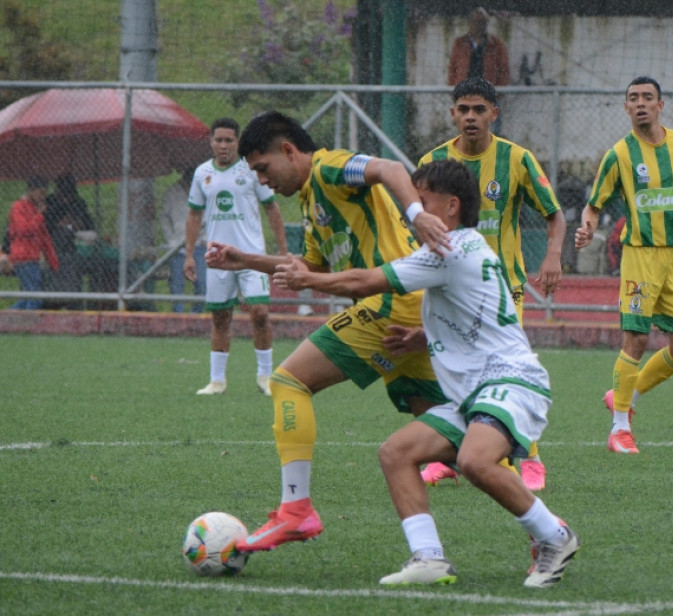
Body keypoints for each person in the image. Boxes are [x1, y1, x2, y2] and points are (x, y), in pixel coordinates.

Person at [265, 159, 579, 587]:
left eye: (421, 198)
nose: (408, 207)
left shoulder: (446, 249)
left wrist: (308, 279)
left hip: (509, 382)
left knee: (473, 459)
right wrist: (422, 338)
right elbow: (474, 311)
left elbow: (364, 282)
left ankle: (555, 536)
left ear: (450, 207)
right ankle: (429, 558)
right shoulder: (465, 246)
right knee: (396, 453)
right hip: (477, 391)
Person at [205, 110, 451, 555]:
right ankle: (547, 528)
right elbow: (311, 269)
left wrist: (416, 214)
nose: (262, 181)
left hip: (390, 302)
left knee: (287, 381)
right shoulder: (309, 199)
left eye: (263, 168)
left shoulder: (330, 166)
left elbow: (390, 168)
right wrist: (245, 259)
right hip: (412, 312)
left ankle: (296, 510)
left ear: (288, 151)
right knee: (453, 442)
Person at [415, 76, 567, 491]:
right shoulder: (434, 163)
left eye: (479, 110)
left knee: (504, 370)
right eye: (463, 109)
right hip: (447, 290)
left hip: (502, 289)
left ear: (493, 114)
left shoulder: (516, 160)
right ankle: (450, 456)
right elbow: (415, 221)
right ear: (452, 114)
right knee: (450, 371)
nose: (470, 117)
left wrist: (552, 255)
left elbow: (555, 214)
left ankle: (530, 458)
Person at [574, 76, 673, 454]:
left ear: (661, 104)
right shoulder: (619, 155)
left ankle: (624, 395)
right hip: (640, 256)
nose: (641, 103)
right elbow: (594, 205)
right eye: (634, 98)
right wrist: (585, 229)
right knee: (636, 338)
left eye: (648, 97)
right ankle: (618, 430)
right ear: (626, 107)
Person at [185, 118, 288, 396]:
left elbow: (272, 208)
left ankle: (265, 376)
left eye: (229, 140)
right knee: (220, 318)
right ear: (211, 142)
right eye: (218, 140)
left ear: (238, 142)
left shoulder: (251, 170)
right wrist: (190, 255)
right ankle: (217, 381)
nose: (223, 145)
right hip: (217, 258)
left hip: (250, 257)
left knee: (260, 312)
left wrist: (282, 251)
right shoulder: (202, 173)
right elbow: (194, 214)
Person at [5, 176, 58, 310]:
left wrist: (52, 260)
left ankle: (8, 319)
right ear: (31, 191)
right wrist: (39, 216)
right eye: (40, 193)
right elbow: (24, 230)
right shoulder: (19, 207)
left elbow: (44, 236)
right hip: (23, 257)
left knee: (29, 296)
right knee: (35, 298)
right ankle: (26, 324)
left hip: (32, 257)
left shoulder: (34, 208)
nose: (42, 197)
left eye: (44, 193)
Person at [44, 173, 95, 308]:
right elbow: (44, 226)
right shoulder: (49, 202)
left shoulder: (78, 203)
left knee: (81, 270)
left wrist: (78, 223)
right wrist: (58, 225)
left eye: (69, 196)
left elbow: (90, 226)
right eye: (63, 195)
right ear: (57, 192)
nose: (66, 200)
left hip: (76, 247)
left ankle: (81, 305)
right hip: (54, 248)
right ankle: (53, 303)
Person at [161, 167, 205, 313]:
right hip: (177, 246)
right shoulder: (171, 192)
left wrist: (205, 238)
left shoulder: (204, 193)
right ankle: (178, 314)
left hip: (199, 245)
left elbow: (209, 218)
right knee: (176, 284)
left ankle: (196, 314)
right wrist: (170, 239)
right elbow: (164, 218)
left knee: (202, 284)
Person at [448, 8, 510, 87]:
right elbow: (452, 69)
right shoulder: (460, 44)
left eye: (481, 22)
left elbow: (504, 71)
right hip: (464, 92)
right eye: (475, 21)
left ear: (486, 24)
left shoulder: (497, 45)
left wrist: (498, 93)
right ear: (469, 23)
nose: (478, 25)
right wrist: (454, 89)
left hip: (487, 93)